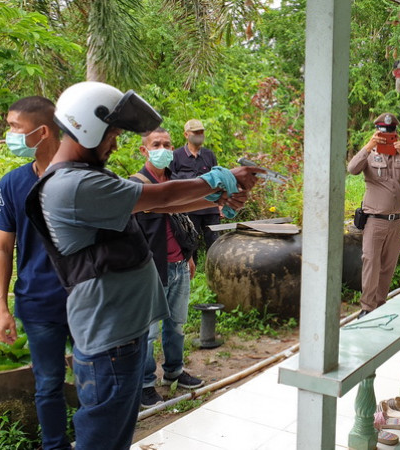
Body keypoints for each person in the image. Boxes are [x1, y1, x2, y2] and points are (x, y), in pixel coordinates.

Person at [24, 81, 262, 450]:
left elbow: (157, 205)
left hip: (120, 334)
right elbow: (161, 194)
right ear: (89, 127)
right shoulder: (72, 185)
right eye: (112, 135)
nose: (114, 144)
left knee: (113, 435)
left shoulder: (84, 179)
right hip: (111, 339)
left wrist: (214, 194)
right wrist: (220, 178)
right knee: (102, 440)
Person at [0, 96, 72, 450]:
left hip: (87, 299)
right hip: (37, 304)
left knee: (97, 376)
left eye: (14, 127)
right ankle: (55, 445)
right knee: (48, 382)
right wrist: (2, 309)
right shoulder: (12, 184)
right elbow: (2, 248)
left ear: (42, 131)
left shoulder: (79, 178)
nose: (9, 134)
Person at [131, 127, 205, 408]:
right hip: (151, 270)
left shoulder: (174, 182)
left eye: (167, 144)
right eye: (156, 144)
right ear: (144, 150)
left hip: (178, 266)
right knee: (148, 333)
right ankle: (145, 384)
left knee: (176, 325)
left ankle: (173, 370)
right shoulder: (137, 186)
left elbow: (182, 223)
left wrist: (189, 256)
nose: (163, 149)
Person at [347, 113, 400, 317]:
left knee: (388, 265)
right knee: (371, 262)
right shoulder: (369, 154)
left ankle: (380, 304)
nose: (387, 136)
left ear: (396, 133)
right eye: (382, 132)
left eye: (390, 132)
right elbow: (352, 169)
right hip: (375, 221)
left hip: (396, 222)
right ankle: (367, 307)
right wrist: (368, 146)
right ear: (376, 132)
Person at [169, 119, 220, 264]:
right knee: (190, 243)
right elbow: (171, 182)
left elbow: (217, 179)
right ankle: (191, 272)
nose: (199, 135)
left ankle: (215, 269)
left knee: (214, 241)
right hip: (189, 208)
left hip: (210, 207)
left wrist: (221, 204)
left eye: (201, 132)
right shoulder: (176, 156)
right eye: (196, 132)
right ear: (186, 134)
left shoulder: (209, 155)